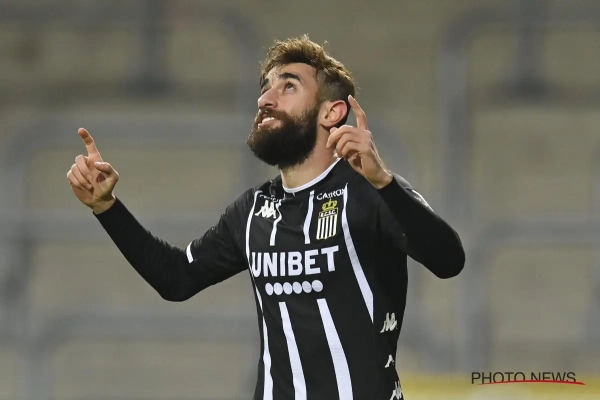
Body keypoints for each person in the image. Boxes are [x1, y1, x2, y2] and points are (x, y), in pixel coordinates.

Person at [66, 35, 465, 400]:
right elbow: (176, 278)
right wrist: (107, 208)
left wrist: (385, 183)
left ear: (332, 112)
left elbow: (448, 261)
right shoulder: (253, 210)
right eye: (265, 88)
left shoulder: (370, 192)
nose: (265, 100)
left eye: (288, 86)